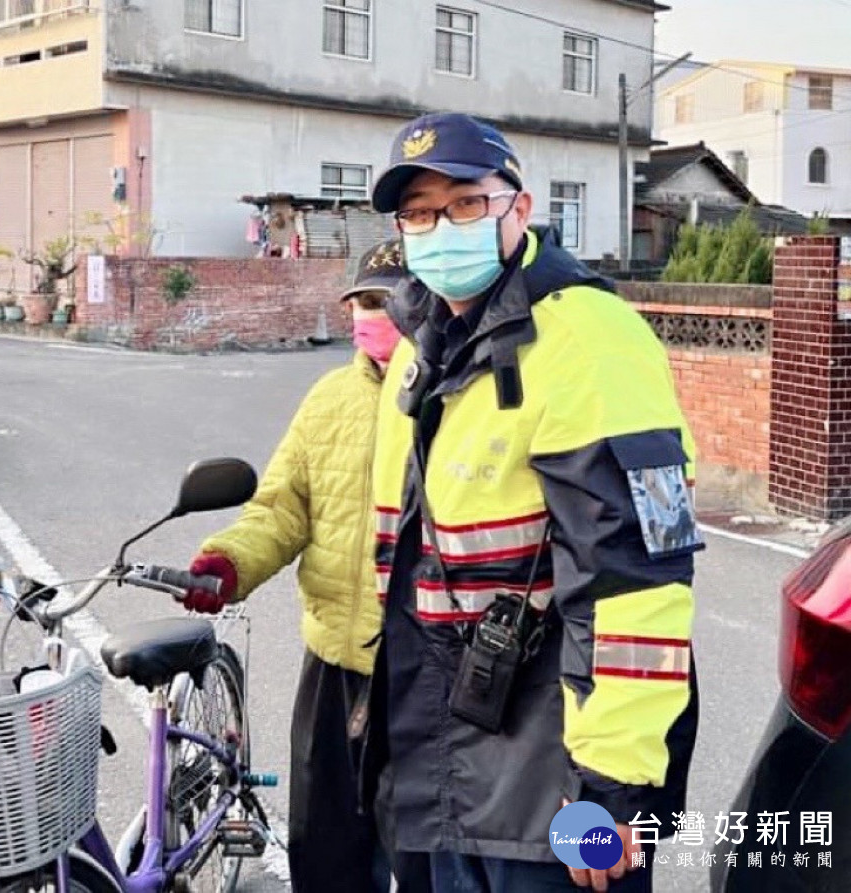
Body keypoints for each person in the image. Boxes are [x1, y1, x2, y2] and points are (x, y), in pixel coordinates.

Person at [359, 113, 702, 893]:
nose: (438, 227)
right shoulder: (422, 346)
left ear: (520, 206)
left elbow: (638, 576)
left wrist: (611, 789)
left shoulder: (589, 336)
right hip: (445, 757)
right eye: (417, 213)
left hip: (554, 775)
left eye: (464, 204)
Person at [181, 241, 406, 893]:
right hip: (335, 663)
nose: (375, 314)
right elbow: (282, 507)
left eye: (391, 300)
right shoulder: (329, 397)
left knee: (427, 858)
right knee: (326, 855)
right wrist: (229, 560)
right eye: (365, 300)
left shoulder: (458, 395)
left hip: (429, 676)